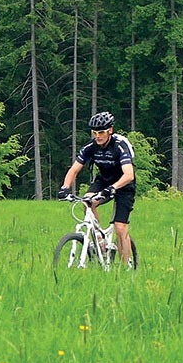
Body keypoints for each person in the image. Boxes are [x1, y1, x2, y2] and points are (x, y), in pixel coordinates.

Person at [58, 111, 135, 267]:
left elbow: (129, 174)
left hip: (124, 184)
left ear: (110, 131)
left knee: (120, 228)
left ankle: (126, 268)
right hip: (104, 180)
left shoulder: (120, 146)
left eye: (101, 132)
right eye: (94, 133)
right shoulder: (90, 148)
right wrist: (65, 188)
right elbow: (74, 170)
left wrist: (113, 188)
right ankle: (100, 242)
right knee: (87, 201)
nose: (97, 136)